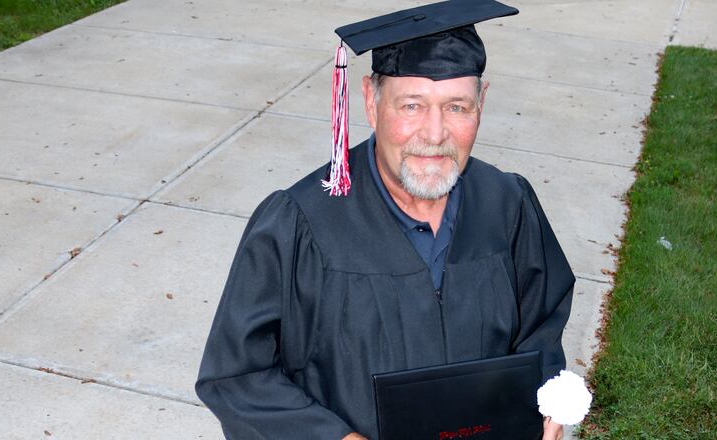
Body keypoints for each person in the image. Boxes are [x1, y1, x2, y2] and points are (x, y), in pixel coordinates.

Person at [196, 1, 574, 439]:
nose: (434, 134)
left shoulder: (508, 204)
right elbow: (236, 377)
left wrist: (544, 402)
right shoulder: (299, 223)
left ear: (481, 104)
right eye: (411, 105)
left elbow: (542, 325)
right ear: (371, 103)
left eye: (457, 107)